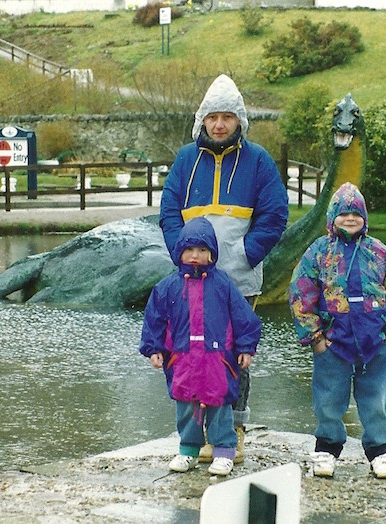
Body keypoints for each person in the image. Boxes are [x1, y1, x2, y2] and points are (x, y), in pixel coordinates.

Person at [159, 74, 289, 463]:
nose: (219, 124)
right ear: (203, 119)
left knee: (233, 356)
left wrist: (247, 254)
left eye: (227, 118)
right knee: (190, 353)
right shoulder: (185, 160)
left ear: (239, 122)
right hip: (191, 281)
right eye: (213, 117)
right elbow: (168, 214)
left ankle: (233, 430)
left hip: (239, 280)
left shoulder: (259, 161)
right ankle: (195, 435)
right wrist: (181, 256)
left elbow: (275, 214)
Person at [288, 182, 386, 479]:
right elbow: (301, 294)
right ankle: (327, 450)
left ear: (365, 218)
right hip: (332, 344)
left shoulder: (380, 253)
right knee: (329, 399)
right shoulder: (319, 252)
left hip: (376, 345)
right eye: (344, 214)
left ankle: (380, 451)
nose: (350, 219)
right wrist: (315, 338)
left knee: (375, 398)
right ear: (332, 217)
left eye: (356, 214)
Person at [140, 217, 262, 476]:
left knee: (219, 406)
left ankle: (225, 452)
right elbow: (154, 320)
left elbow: (244, 317)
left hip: (217, 359)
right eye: (190, 249)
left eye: (202, 250)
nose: (196, 255)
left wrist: (246, 347)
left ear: (212, 254)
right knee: (187, 407)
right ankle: (188, 450)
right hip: (182, 359)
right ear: (180, 252)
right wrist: (154, 349)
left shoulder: (224, 284)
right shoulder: (167, 287)